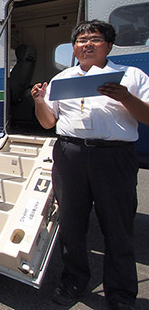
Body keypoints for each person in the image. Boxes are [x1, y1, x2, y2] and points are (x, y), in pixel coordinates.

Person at [31, 20, 149, 309]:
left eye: (95, 39)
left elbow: (147, 117)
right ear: (74, 48)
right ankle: (73, 282)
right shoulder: (62, 79)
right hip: (70, 154)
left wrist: (125, 97)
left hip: (114, 156)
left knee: (117, 227)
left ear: (109, 45)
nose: (87, 44)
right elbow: (49, 122)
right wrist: (38, 101)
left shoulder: (131, 76)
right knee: (71, 223)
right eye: (81, 40)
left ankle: (121, 295)